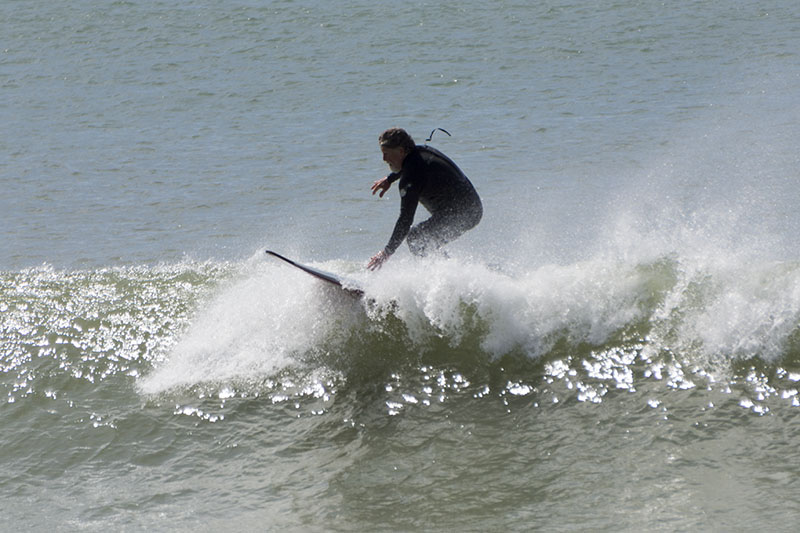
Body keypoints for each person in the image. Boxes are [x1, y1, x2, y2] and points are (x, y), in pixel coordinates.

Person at [367, 128, 482, 270]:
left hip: (464, 213)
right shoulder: (419, 153)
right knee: (423, 240)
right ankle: (454, 273)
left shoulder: (411, 176)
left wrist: (387, 252)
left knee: (416, 239)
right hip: (472, 208)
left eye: (386, 154)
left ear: (401, 151)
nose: (384, 159)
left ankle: (446, 276)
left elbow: (405, 219)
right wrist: (390, 179)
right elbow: (412, 166)